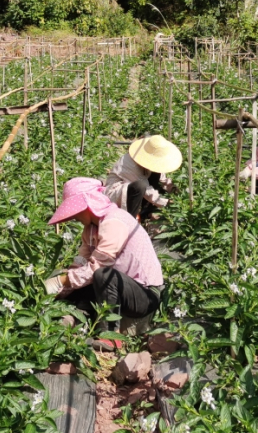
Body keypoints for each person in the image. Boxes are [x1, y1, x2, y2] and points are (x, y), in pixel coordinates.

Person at [44, 177, 164, 352]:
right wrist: (62, 284)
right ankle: (74, 317)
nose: (75, 217)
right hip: (119, 288)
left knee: (102, 275)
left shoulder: (114, 221)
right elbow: (82, 263)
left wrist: (62, 282)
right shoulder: (90, 229)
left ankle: (110, 336)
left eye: (77, 211)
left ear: (88, 205)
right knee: (76, 275)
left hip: (145, 294)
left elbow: (98, 267)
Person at [104, 135, 182, 221]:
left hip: (138, 188)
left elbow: (162, 178)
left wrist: (174, 188)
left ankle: (145, 213)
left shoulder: (149, 163)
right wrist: (167, 202)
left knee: (155, 173)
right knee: (139, 186)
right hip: (117, 193)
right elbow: (147, 191)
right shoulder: (131, 164)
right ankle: (130, 220)